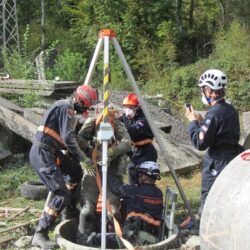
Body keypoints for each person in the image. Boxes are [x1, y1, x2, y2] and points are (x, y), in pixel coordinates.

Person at [29, 84, 97, 249]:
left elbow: (68, 139)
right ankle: (40, 233)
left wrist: (87, 152)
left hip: (51, 152)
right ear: (79, 99)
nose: (84, 109)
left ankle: (68, 210)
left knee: (74, 170)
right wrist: (83, 158)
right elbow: (68, 138)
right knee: (61, 194)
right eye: (85, 106)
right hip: (43, 154)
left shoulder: (67, 109)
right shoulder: (66, 107)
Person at [182, 69, 245, 228]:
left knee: (210, 195)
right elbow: (220, 132)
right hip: (232, 157)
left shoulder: (214, 113)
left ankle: (202, 229)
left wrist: (192, 122)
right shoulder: (229, 109)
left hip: (217, 162)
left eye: (203, 88)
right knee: (228, 194)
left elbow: (200, 143)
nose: (203, 92)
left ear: (209, 90)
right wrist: (202, 123)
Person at [76, 103, 131, 245]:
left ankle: (114, 242)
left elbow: (127, 142)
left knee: (112, 210)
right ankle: (82, 241)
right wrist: (92, 152)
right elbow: (80, 139)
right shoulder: (91, 122)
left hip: (112, 172)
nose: (106, 119)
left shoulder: (117, 124)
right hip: (93, 170)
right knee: (87, 210)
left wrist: (111, 153)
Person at [86, 161, 163, 248]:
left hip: (135, 238)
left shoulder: (135, 191)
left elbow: (115, 187)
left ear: (145, 175)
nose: (139, 176)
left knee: (95, 238)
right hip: (154, 236)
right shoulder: (159, 193)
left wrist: (103, 168)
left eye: (140, 173)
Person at [120, 93, 158, 185]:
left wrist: (121, 128)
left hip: (146, 152)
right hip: (135, 151)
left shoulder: (143, 119)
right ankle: (134, 197)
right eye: (126, 107)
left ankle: (145, 196)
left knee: (145, 180)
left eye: (131, 107)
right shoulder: (127, 117)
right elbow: (119, 121)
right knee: (132, 173)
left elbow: (132, 131)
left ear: (137, 107)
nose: (128, 110)